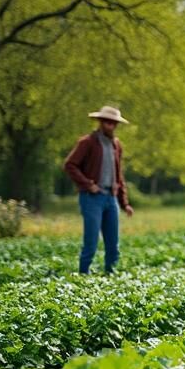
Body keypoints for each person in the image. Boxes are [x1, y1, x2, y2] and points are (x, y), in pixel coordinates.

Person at [63, 105, 135, 274]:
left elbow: (119, 175)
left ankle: (111, 273)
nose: (111, 125)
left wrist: (124, 203)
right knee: (91, 240)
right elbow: (70, 165)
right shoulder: (87, 142)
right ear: (100, 122)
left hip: (111, 197)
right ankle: (83, 274)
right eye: (107, 122)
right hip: (92, 198)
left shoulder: (117, 145)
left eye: (113, 123)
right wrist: (88, 184)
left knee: (113, 242)